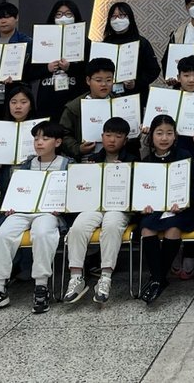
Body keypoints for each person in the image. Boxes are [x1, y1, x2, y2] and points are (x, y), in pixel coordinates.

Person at [0, 121, 73, 315]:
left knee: (43, 233)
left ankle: (41, 286)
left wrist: (63, 207)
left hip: (48, 212)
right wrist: (10, 206)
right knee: (2, 235)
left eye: (45, 138)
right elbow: (16, 191)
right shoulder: (25, 165)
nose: (39, 142)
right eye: (36, 139)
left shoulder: (68, 165)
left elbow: (74, 194)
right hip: (22, 211)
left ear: (57, 142)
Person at [63, 117, 140, 306]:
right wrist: (87, 175)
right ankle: (76, 277)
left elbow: (137, 191)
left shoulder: (133, 160)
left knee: (112, 225)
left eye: (118, 136)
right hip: (95, 206)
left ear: (125, 140)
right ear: (102, 136)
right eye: (108, 135)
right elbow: (80, 190)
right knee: (78, 227)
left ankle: (105, 278)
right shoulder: (92, 160)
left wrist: (123, 173)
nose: (112, 140)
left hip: (119, 207)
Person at [137, 114, 194, 304]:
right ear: (151, 136)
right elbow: (142, 190)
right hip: (156, 210)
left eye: (169, 133)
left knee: (173, 228)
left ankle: (157, 279)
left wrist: (183, 203)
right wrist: (143, 206)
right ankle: (159, 278)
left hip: (182, 209)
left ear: (175, 136)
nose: (164, 138)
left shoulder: (184, 156)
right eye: (159, 133)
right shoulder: (146, 160)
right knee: (146, 228)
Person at [29, 0, 91, 122]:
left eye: (68, 14)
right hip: (47, 100)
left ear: (75, 17)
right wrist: (47, 68)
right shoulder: (42, 41)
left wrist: (70, 68)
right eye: (59, 14)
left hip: (74, 99)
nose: (63, 18)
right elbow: (31, 73)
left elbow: (89, 72)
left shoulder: (85, 43)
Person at [0, 1, 34, 120]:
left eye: (7, 17)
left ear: (16, 18)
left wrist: (17, 79)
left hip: (16, 100)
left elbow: (33, 72)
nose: (3, 21)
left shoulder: (27, 43)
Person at [101, 1, 161, 108]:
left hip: (135, 96)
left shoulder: (141, 42)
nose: (117, 19)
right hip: (109, 96)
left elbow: (154, 70)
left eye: (122, 15)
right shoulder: (105, 44)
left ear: (130, 18)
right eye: (114, 17)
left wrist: (136, 82)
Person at [59, 57, 117, 159]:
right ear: (88, 80)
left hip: (116, 159)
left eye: (108, 80)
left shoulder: (119, 103)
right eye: (98, 80)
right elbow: (63, 134)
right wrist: (78, 148)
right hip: (85, 159)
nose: (104, 84)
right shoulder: (74, 107)